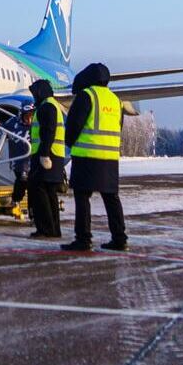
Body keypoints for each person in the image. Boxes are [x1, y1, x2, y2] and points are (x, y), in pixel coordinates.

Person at [61, 63, 126, 251]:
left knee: (82, 199)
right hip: (110, 158)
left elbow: (74, 125)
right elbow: (118, 126)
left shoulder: (86, 96)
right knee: (112, 198)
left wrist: (70, 143)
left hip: (87, 156)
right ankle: (120, 238)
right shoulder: (116, 100)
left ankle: (83, 239)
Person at [26, 79, 67, 238]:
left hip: (46, 155)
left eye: (35, 93)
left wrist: (44, 154)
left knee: (40, 192)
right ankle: (54, 229)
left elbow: (48, 132)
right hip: (54, 155)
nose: (34, 96)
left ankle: (45, 229)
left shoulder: (46, 107)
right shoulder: (52, 105)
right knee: (50, 193)